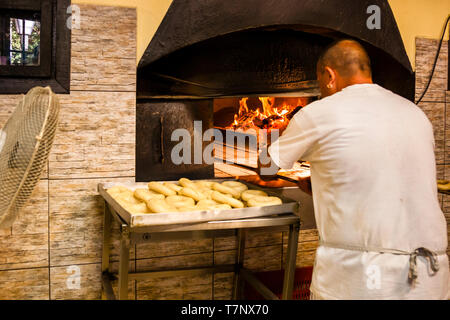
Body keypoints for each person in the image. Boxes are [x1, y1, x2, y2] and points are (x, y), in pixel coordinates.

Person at [259, 39, 449, 299]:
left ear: (329, 75)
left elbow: (267, 168)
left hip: (362, 277)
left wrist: (269, 133)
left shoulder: (319, 112)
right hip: (430, 277)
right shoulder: (415, 113)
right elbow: (390, 179)